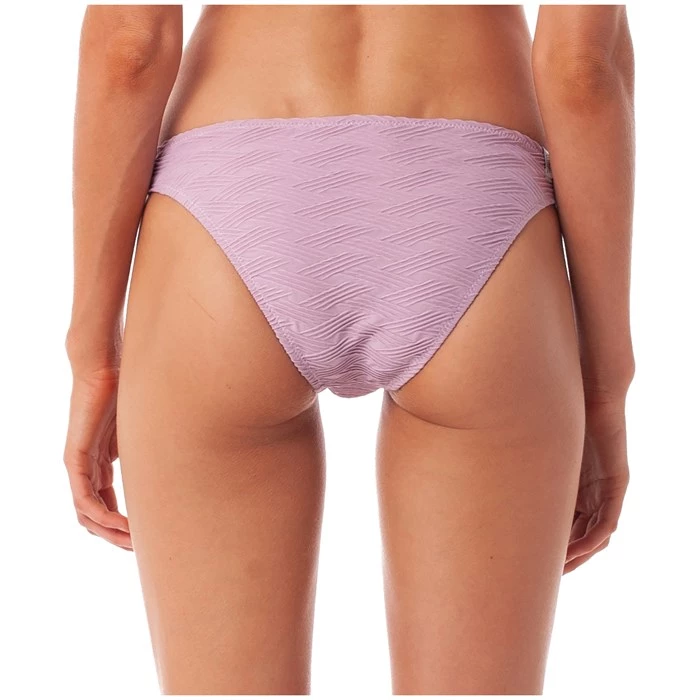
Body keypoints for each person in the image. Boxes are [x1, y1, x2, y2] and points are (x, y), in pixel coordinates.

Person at [63, 4, 635, 694]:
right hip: (473, 199)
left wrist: (94, 355)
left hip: (229, 199)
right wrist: (604, 385)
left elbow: (130, 47)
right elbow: (582, 70)